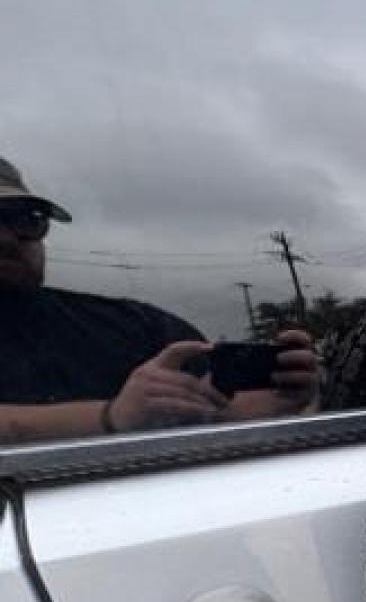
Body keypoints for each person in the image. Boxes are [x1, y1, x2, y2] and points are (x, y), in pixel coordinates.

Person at [0, 155, 321, 444]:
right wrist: (112, 417)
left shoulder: (135, 327)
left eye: (26, 219)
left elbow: (215, 407)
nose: (7, 237)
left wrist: (266, 401)